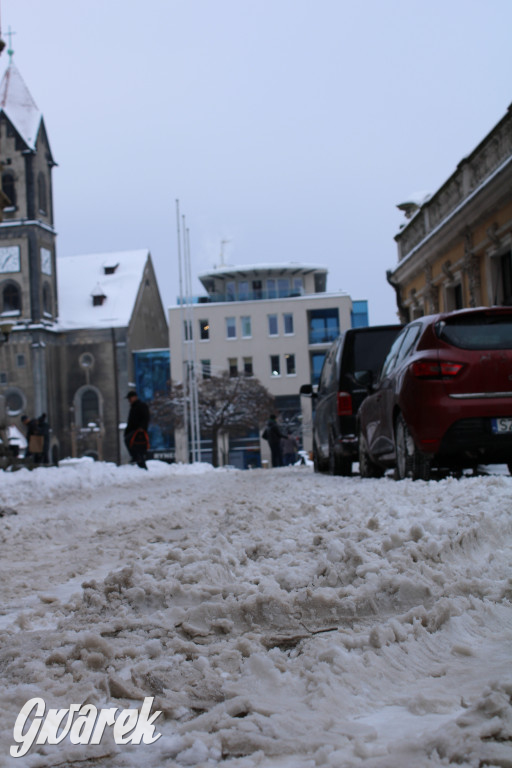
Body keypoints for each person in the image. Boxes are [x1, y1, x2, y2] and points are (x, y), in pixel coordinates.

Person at [124, 390, 150, 469]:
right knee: (134, 445)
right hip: (134, 430)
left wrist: (142, 427)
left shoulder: (141, 406)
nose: (129, 401)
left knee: (132, 443)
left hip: (139, 431)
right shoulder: (133, 407)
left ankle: (137, 459)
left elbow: (146, 417)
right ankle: (138, 461)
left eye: (130, 398)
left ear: (134, 397)